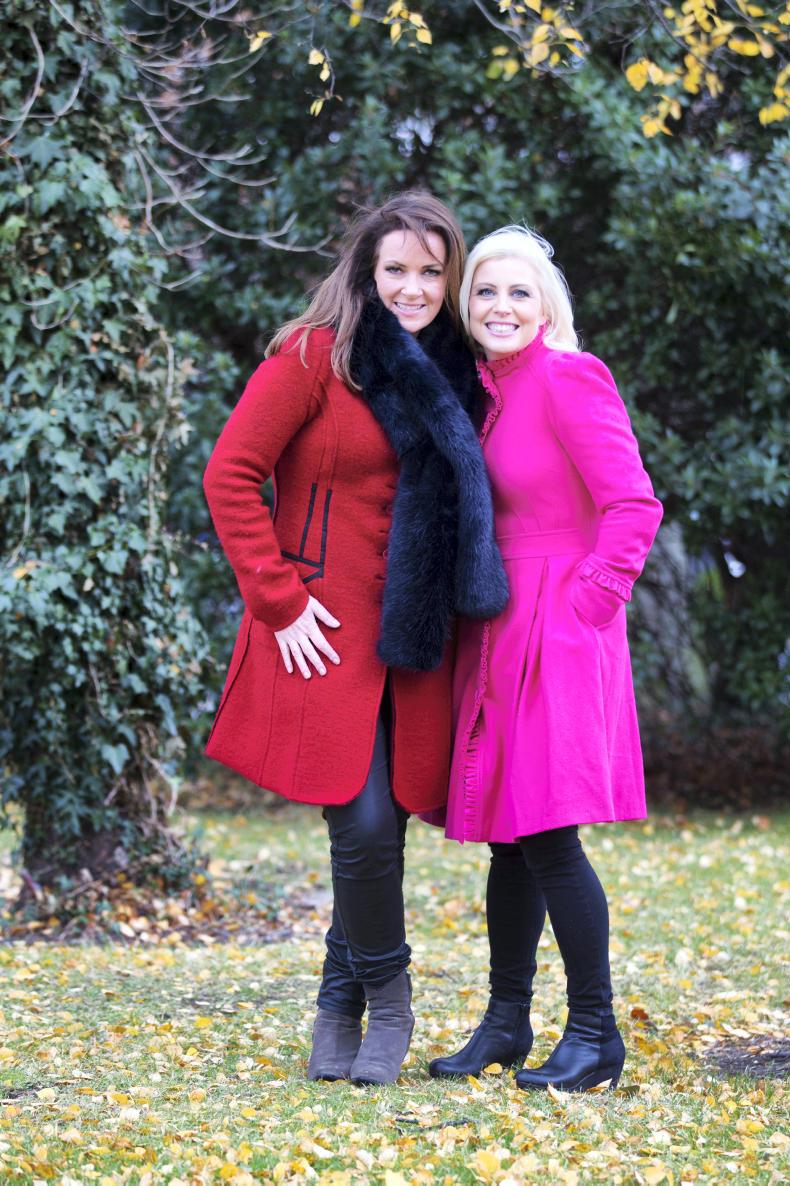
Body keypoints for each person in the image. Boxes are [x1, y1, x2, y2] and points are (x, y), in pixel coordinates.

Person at [202, 193, 507, 1087]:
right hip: (322, 632)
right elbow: (230, 474)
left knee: (383, 823)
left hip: (414, 639)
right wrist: (278, 597)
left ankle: (338, 1006)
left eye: (431, 271)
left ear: (449, 280)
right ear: (367, 272)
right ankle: (391, 998)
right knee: (364, 823)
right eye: (396, 269)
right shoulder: (315, 355)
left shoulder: (460, 375)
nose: (413, 287)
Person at [428, 226, 663, 1093]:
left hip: (558, 624)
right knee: (508, 839)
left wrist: (588, 603)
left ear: (546, 306)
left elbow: (633, 504)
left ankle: (596, 1032)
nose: (501, 307)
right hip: (497, 624)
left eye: (518, 292)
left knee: (550, 833)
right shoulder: (481, 393)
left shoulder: (571, 376)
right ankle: (506, 1022)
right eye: (485, 292)